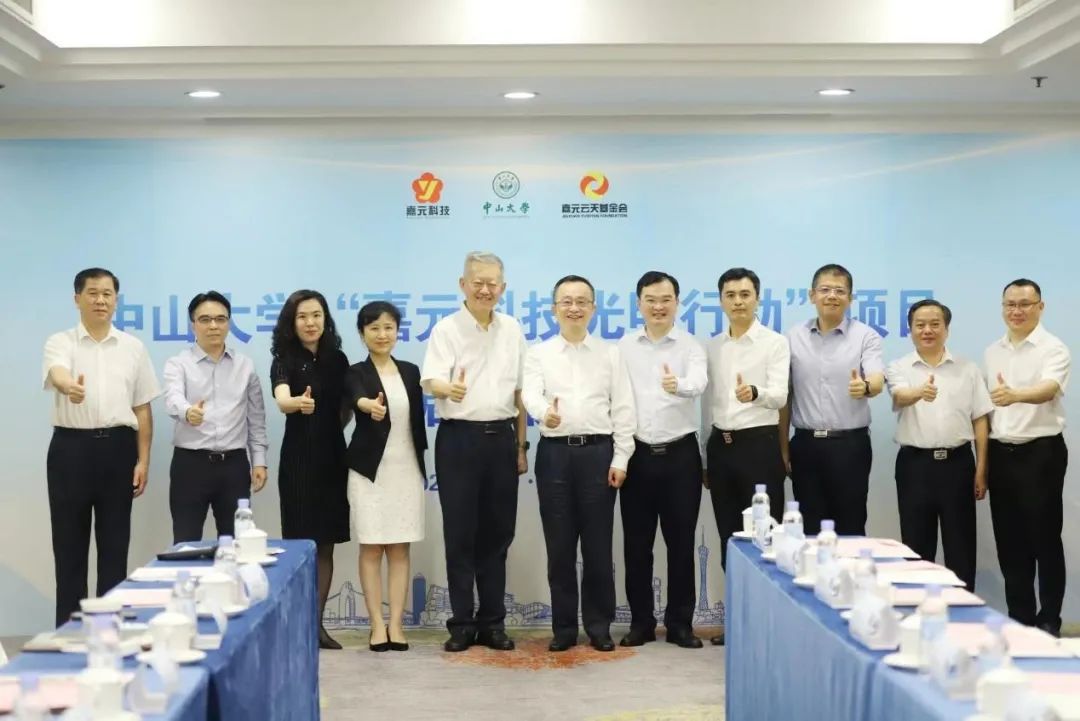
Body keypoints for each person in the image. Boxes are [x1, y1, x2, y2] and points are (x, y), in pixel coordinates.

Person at [420, 251, 528, 653]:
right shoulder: (446, 329)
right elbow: (430, 380)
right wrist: (448, 388)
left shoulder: (512, 329)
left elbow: (520, 394)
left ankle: (493, 623)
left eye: (492, 283)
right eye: (477, 282)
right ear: (462, 284)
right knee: (460, 535)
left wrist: (521, 446)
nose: (485, 289)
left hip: (502, 440)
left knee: (498, 536)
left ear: (503, 287)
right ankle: (462, 624)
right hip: (459, 440)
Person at [523, 274, 636, 653]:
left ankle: (599, 626)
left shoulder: (610, 353)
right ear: (554, 309)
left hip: (598, 455)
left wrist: (621, 457)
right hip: (554, 455)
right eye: (566, 301)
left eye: (581, 301)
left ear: (593, 308)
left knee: (598, 547)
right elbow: (530, 395)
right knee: (559, 548)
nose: (574, 308)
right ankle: (564, 629)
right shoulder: (539, 353)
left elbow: (623, 408)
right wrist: (545, 413)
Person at [42, 268, 160, 626]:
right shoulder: (61, 341)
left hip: (118, 451)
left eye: (107, 294)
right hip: (70, 450)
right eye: (92, 293)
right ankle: (70, 633)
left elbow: (142, 408)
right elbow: (58, 372)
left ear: (116, 300)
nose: (100, 300)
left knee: (114, 548)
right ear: (77, 298)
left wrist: (143, 460)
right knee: (69, 550)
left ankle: (109, 631)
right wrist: (69, 387)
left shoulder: (133, 347)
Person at [616, 271, 706, 649]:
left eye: (666, 299)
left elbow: (699, 383)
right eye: (651, 299)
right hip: (637, 455)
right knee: (637, 546)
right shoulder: (623, 347)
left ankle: (680, 623)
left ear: (677, 302)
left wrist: (678, 385)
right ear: (639, 303)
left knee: (681, 545)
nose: (658, 306)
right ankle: (641, 622)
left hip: (680, 456)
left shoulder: (690, 346)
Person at [703, 267, 789, 647]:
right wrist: (706, 455)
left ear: (757, 298)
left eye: (745, 294)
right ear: (721, 300)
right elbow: (707, 404)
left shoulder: (774, 343)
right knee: (729, 538)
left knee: (764, 537)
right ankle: (737, 621)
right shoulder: (712, 346)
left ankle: (768, 623)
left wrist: (755, 393)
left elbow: (780, 396)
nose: (738, 301)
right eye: (730, 295)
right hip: (720, 448)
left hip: (759, 446)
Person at [885, 300, 991, 590]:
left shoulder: (968, 369)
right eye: (920, 325)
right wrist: (919, 392)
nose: (927, 330)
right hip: (915, 466)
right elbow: (899, 396)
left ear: (947, 329)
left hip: (958, 464)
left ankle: (963, 607)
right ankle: (919, 607)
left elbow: (980, 419)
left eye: (935, 324)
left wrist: (981, 469)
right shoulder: (898, 367)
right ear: (910, 329)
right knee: (916, 546)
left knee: (961, 546)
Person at [984, 278, 1070, 637]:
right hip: (1001, 454)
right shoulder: (993, 351)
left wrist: (1016, 395)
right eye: (1010, 304)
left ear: (1040, 307)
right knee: (1009, 542)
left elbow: (1049, 388)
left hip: (1041, 454)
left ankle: (1049, 619)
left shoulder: (1053, 348)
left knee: (1044, 539)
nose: (1016, 311)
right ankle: (1018, 618)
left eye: (1024, 304)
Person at [345, 301, 428, 653]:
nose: (382, 334)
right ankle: (376, 625)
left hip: (406, 468)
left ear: (397, 331)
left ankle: (396, 624)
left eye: (389, 327)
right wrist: (368, 406)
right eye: (374, 328)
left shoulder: (410, 371)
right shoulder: (354, 372)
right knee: (371, 545)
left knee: (399, 547)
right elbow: (357, 399)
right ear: (362, 333)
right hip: (369, 472)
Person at [270, 290, 350, 650]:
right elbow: (282, 398)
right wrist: (296, 403)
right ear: (292, 322)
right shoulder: (284, 358)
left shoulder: (338, 359)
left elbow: (347, 405)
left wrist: (333, 426)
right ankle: (297, 626)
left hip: (333, 458)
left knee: (326, 546)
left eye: (316, 315)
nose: (310, 322)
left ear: (325, 319)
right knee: (301, 547)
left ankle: (316, 626)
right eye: (302, 316)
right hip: (299, 460)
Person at [781, 263, 884, 536]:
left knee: (850, 524)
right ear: (811, 295)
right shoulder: (792, 337)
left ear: (850, 298)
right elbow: (785, 396)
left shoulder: (865, 336)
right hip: (805, 446)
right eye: (825, 289)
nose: (832, 296)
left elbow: (876, 379)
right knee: (809, 527)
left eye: (840, 291)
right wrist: (783, 447)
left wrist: (865, 386)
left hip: (849, 446)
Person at [162, 291, 268, 543]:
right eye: (205, 319)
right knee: (186, 542)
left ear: (229, 323)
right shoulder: (178, 364)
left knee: (237, 542)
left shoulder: (245, 365)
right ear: (193, 325)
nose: (213, 326)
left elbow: (256, 418)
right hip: (190, 465)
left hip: (234, 466)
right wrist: (188, 412)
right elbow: (172, 398)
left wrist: (259, 461)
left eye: (220, 319)